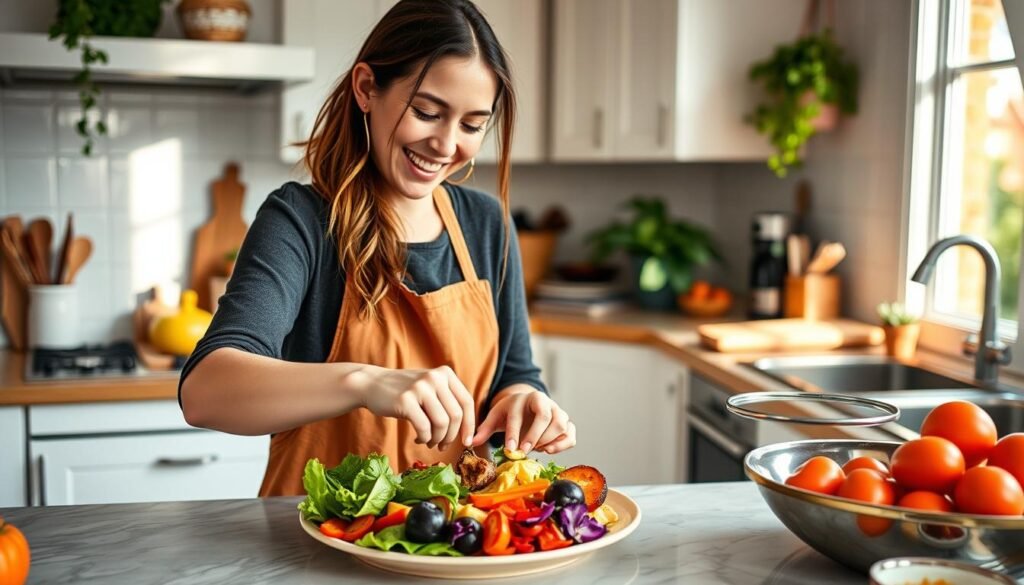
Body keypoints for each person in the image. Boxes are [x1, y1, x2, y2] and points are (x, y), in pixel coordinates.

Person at [179, 0, 575, 496]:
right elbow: (205, 391)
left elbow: (514, 374)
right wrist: (365, 382)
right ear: (367, 88)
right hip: (317, 550)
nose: (446, 144)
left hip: (454, 543)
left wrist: (524, 400)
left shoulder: (486, 223)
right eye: (427, 112)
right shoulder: (300, 220)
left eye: (473, 125)